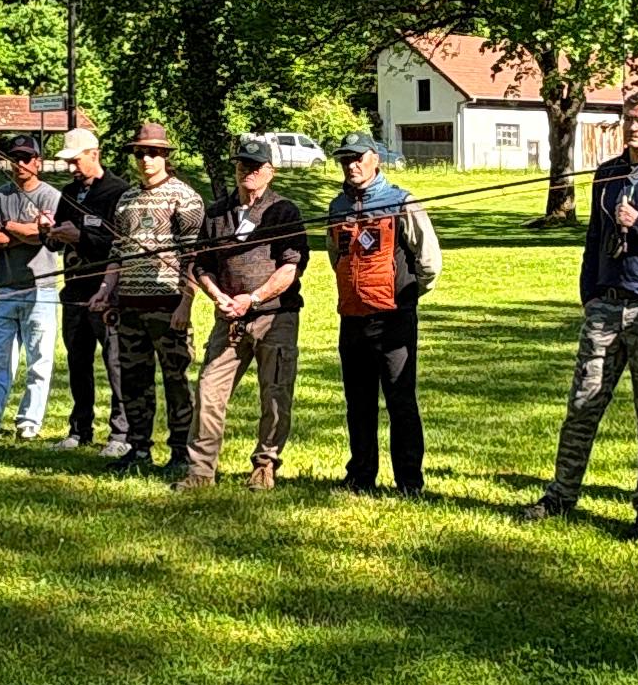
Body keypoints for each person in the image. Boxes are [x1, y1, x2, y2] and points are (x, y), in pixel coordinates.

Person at [526, 88, 638, 541]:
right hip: (606, 306)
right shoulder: (608, 174)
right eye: (629, 119)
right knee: (582, 405)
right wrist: (589, 294)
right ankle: (560, 495)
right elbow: (594, 239)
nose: (635, 127)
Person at [187, 133, 311, 488]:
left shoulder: (284, 210)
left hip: (275, 315)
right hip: (228, 316)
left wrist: (253, 298)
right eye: (243, 165)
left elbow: (291, 267)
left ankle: (265, 464)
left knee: (275, 393)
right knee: (209, 391)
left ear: (270, 171)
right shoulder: (216, 212)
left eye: (256, 167)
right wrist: (217, 296)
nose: (248, 172)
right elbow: (201, 264)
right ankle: (200, 471)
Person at [325, 131, 440, 494]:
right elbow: (335, 257)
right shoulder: (336, 207)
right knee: (358, 402)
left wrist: (407, 296)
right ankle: (360, 476)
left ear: (376, 158)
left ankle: (409, 481)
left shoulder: (401, 201)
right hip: (352, 318)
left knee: (400, 400)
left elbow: (429, 261)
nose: (352, 164)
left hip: (393, 319)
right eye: (346, 159)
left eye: (358, 157)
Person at [105, 119, 207, 477]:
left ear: (165, 156)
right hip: (130, 303)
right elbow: (116, 251)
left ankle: (181, 451)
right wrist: (107, 292)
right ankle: (138, 448)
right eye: (140, 153)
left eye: (153, 153)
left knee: (176, 379)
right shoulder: (126, 199)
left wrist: (186, 302)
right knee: (133, 379)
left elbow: (195, 257)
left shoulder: (185, 197)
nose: (146, 159)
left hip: (168, 303)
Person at [0, 129, 63, 442]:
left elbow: (43, 236)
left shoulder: (51, 196)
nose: (19, 163)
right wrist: (24, 232)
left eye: (25, 158)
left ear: (38, 161)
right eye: (14, 158)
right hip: (5, 287)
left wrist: (7, 227)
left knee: (40, 361)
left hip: (42, 288)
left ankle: (29, 424)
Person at [47, 124, 129, 454]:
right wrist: (49, 233)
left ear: (95, 154)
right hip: (74, 290)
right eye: (68, 162)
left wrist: (79, 236)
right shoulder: (68, 193)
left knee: (114, 362)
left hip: (107, 292)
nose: (72, 168)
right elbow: (56, 238)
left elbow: (120, 244)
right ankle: (79, 429)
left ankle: (121, 434)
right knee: (78, 362)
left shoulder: (118, 192)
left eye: (76, 161)